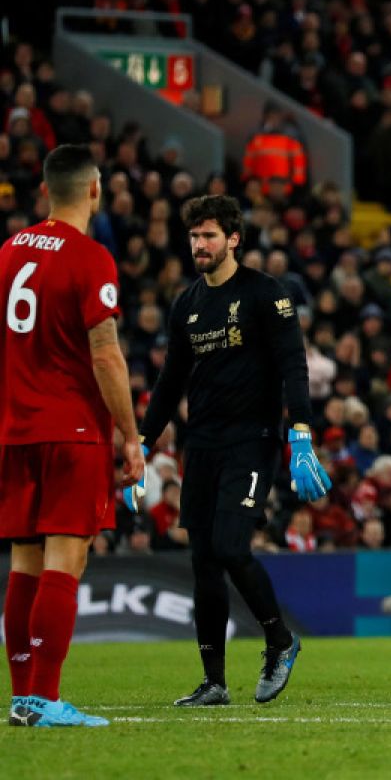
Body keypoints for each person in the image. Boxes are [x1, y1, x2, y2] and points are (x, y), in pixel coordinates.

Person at [132, 194, 331, 707]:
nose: (199, 244)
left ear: (234, 239)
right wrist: (141, 443)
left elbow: (293, 366)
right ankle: (214, 682)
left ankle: (281, 641)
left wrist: (301, 434)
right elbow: (169, 381)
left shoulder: (267, 294)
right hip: (202, 443)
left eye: (209, 235)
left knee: (230, 546)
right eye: (194, 236)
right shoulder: (187, 305)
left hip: (252, 441)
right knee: (203, 560)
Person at [1, 145, 145, 728]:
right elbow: (106, 353)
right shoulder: (91, 258)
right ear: (94, 190)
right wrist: (130, 437)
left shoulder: (9, 251)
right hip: (72, 427)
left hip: (15, 429)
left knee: (24, 563)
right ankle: (44, 699)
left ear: (44, 192)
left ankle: (20, 696)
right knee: (67, 557)